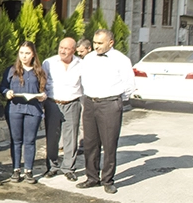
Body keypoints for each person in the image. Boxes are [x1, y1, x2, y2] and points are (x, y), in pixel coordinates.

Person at [77, 29, 135, 194]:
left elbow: (129, 85)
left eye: (100, 43)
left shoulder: (121, 60)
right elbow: (83, 79)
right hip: (90, 102)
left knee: (109, 143)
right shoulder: (88, 58)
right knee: (90, 143)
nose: (96, 46)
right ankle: (92, 177)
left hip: (109, 103)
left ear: (111, 42)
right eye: (95, 43)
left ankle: (108, 180)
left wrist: (115, 101)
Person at [1, 41, 47, 184]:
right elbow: (3, 86)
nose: (24, 56)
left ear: (33, 54)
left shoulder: (38, 71)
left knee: (30, 140)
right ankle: (16, 169)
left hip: (33, 109)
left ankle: (28, 170)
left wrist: (43, 95)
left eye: (27, 53)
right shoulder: (11, 70)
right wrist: (7, 92)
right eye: (21, 53)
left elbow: (44, 89)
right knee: (16, 140)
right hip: (15, 108)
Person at [43, 37, 83, 181]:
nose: (63, 51)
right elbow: (42, 82)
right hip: (53, 103)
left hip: (72, 103)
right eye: (61, 47)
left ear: (74, 50)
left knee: (71, 138)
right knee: (52, 137)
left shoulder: (81, 64)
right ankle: (52, 166)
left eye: (67, 49)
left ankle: (68, 168)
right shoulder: (49, 62)